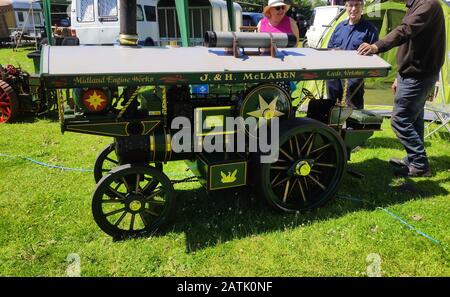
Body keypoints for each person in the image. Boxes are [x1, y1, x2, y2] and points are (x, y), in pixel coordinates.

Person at [357, 0, 445, 177]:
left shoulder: (428, 4)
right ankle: (414, 158)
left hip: (419, 75)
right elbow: (411, 43)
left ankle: (419, 164)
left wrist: (377, 46)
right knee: (414, 120)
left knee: (400, 120)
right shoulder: (417, 4)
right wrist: (399, 75)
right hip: (412, 73)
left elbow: (405, 30)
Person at [326, 0, 378, 109]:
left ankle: (352, 126)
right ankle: (332, 127)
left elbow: (375, 56)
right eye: (350, 5)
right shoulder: (339, 27)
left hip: (354, 77)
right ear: (346, 7)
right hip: (334, 75)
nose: (353, 9)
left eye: (357, 5)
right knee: (331, 107)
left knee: (353, 109)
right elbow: (329, 47)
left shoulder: (370, 29)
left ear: (362, 7)